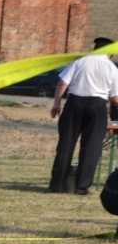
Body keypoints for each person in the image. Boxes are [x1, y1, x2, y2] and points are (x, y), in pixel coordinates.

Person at [47, 37, 118, 195]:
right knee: (91, 147)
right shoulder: (111, 68)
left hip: (74, 104)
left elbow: (62, 83)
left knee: (65, 145)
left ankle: (57, 185)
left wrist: (56, 104)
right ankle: (81, 187)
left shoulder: (80, 61)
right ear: (110, 53)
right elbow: (115, 99)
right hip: (97, 106)